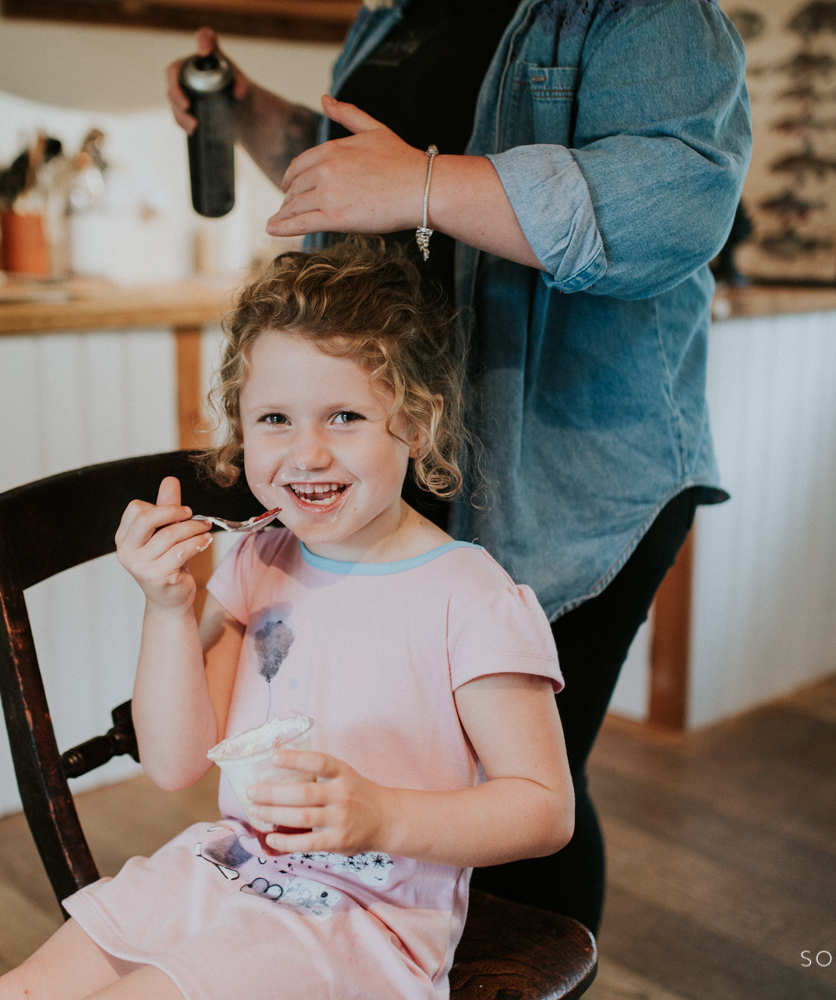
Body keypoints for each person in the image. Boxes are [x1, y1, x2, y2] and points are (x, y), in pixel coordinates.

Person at [167, 0, 751, 935]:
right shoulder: (392, 10)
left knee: (521, 777)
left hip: (567, 469)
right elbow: (368, 185)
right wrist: (258, 117)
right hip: (406, 457)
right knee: (433, 765)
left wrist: (428, 182)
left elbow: (681, 200)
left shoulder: (635, 13)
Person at [0, 241, 574, 1000]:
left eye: (345, 416)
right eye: (274, 419)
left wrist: (384, 814)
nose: (307, 452)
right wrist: (167, 608)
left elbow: (544, 808)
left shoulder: (470, 596)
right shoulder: (254, 562)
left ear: (417, 423)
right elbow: (175, 763)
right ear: (242, 429)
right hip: (226, 868)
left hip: (363, 920)